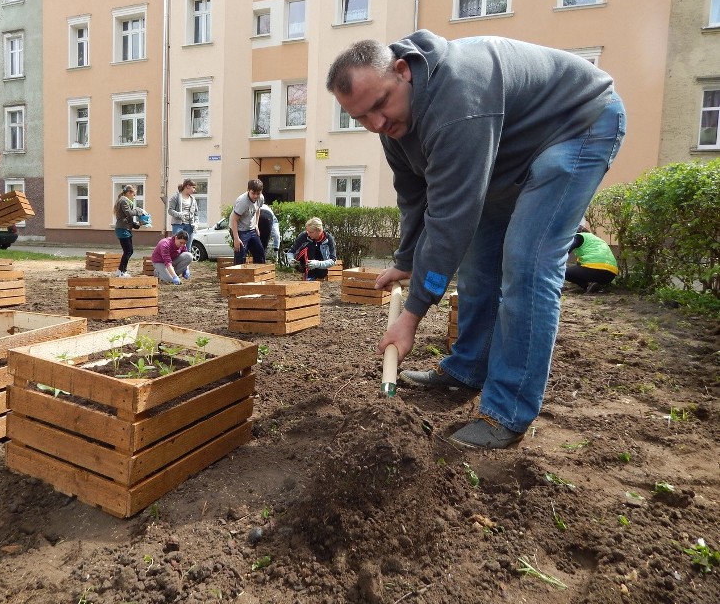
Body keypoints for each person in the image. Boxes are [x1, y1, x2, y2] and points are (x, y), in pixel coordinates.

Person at [327, 30, 626, 449]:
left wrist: (411, 316)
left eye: (379, 105)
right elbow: (416, 196)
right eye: (361, 118)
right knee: (476, 261)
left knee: (526, 262)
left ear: (402, 71)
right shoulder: (393, 124)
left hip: (577, 124)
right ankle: (467, 368)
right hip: (510, 149)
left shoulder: (458, 100)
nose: (376, 124)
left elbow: (451, 218)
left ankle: (507, 410)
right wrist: (407, 257)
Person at [566, 223, 618, 293]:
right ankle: (595, 287)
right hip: (610, 274)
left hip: (595, 270)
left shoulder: (578, 236)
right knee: (577, 268)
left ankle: (587, 286)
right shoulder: (594, 239)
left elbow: (566, 251)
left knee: (564, 272)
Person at [112, 184, 147, 278]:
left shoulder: (125, 201)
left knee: (128, 251)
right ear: (128, 193)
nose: (134, 197)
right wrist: (138, 211)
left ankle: (120, 271)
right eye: (134, 194)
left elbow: (126, 217)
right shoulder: (123, 200)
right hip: (122, 229)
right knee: (128, 251)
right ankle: (122, 272)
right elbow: (129, 213)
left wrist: (137, 225)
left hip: (125, 228)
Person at [230, 178, 266, 265]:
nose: (255, 196)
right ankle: (238, 276)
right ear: (248, 190)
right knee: (241, 252)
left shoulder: (260, 198)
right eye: (253, 193)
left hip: (251, 228)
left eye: (258, 193)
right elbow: (234, 220)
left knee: (260, 252)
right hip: (239, 229)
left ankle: (259, 276)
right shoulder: (242, 202)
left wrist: (256, 225)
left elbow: (258, 210)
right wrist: (236, 238)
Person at [167, 179, 199, 252]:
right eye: (193, 187)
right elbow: (170, 210)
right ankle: (176, 262)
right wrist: (179, 214)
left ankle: (186, 262)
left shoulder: (193, 199)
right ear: (187, 186)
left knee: (188, 248)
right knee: (177, 246)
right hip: (178, 225)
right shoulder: (176, 197)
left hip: (190, 225)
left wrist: (196, 223)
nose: (194, 190)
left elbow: (196, 213)